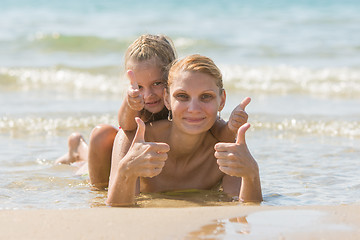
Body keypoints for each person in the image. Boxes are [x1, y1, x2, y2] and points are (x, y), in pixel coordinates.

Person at [56, 35, 250, 190]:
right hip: (123, 153)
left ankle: (78, 148)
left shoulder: (186, 104)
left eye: (157, 83)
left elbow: (221, 133)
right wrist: (131, 102)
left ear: (171, 78)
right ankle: (79, 150)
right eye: (140, 86)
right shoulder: (136, 100)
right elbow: (127, 125)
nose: (148, 95)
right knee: (98, 146)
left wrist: (233, 125)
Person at [106, 54, 262, 206]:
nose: (193, 109)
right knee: (101, 137)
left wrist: (252, 175)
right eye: (182, 96)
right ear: (167, 99)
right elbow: (119, 213)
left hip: (204, 233)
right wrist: (126, 171)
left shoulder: (225, 149)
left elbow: (240, 210)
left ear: (222, 100)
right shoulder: (138, 141)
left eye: (206, 96)